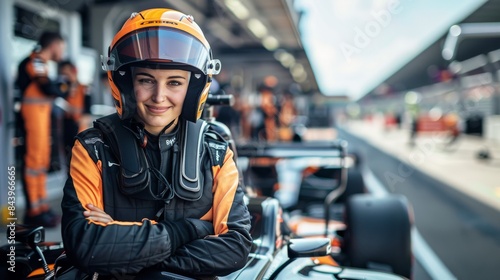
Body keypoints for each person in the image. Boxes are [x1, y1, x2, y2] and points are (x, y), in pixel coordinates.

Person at [60, 8, 252, 278]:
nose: (159, 96)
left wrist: (120, 242)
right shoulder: (93, 147)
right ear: (126, 84)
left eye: (174, 82)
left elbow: (235, 248)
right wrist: (191, 229)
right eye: (146, 80)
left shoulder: (216, 152)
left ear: (193, 90)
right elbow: (86, 245)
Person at [16, 31, 68, 227]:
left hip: (41, 118)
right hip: (32, 119)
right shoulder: (36, 61)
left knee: (41, 162)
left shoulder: (42, 65)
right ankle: (34, 212)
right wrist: (61, 85)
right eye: (61, 47)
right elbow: (49, 89)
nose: (62, 51)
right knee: (33, 162)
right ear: (54, 45)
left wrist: (59, 85)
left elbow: (52, 88)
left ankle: (41, 207)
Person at [58, 60, 92, 153]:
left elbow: (88, 109)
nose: (65, 76)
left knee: (80, 151)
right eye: (63, 74)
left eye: (67, 73)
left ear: (74, 71)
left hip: (80, 124)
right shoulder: (62, 89)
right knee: (67, 151)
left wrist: (84, 117)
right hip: (66, 124)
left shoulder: (84, 88)